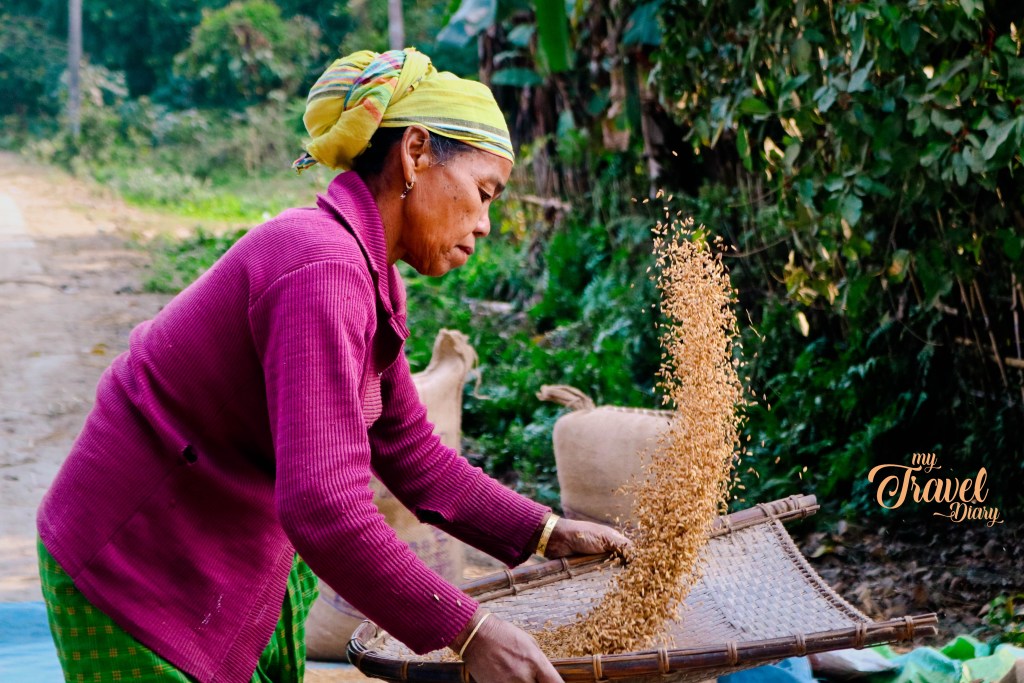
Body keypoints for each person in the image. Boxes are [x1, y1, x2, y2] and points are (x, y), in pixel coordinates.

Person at [37, 48, 630, 683]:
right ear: (416, 153)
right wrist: (471, 632)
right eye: (483, 194)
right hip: (136, 559)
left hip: (219, 548)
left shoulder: (365, 273)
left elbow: (411, 454)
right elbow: (323, 505)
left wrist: (548, 532)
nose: (484, 224)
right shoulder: (320, 268)